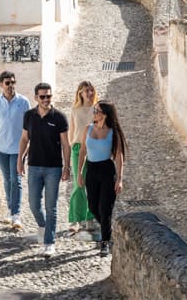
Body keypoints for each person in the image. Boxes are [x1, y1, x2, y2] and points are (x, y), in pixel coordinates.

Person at [18, 82, 71, 257]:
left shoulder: (59, 118)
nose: (46, 99)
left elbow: (65, 144)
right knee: (33, 204)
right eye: (43, 96)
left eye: (49, 96)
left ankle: (49, 242)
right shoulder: (29, 116)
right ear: (36, 98)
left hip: (53, 168)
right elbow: (25, 139)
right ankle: (43, 226)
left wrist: (67, 167)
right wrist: (20, 160)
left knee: (51, 207)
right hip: (33, 166)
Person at [78, 100, 126, 257]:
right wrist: (79, 173)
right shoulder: (88, 129)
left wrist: (119, 179)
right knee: (93, 207)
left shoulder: (113, 133)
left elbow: (119, 156)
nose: (94, 113)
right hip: (91, 170)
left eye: (97, 111)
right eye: (94, 110)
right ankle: (108, 230)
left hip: (106, 171)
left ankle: (105, 242)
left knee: (105, 209)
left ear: (104, 114)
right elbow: (83, 151)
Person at [0, 71, 31, 230]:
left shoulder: (23, 102)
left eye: (13, 82)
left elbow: (30, 125)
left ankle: (16, 215)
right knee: (7, 179)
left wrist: (30, 144)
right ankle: (10, 209)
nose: (11, 86)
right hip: (1, 148)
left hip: (18, 148)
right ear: (1, 85)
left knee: (16, 180)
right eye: (7, 83)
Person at [68, 81, 97, 233]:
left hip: (93, 149)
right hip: (78, 148)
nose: (90, 93)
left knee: (91, 184)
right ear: (80, 93)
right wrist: (73, 144)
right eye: (87, 91)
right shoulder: (75, 109)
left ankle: (90, 217)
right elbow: (72, 131)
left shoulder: (97, 109)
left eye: (92, 90)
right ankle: (75, 219)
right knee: (78, 184)